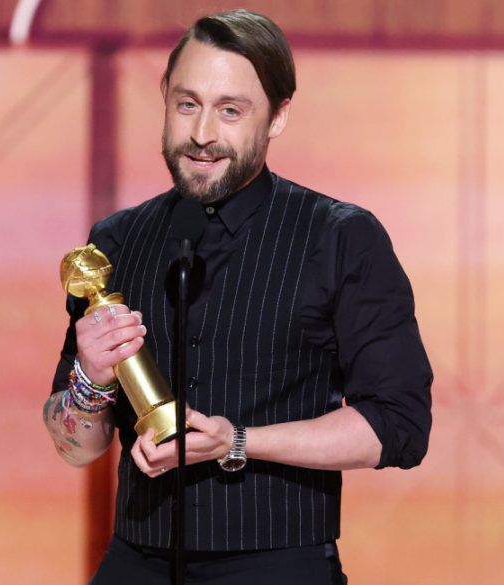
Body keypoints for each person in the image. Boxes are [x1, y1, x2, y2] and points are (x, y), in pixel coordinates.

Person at [44, 9, 433, 584]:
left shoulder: (340, 238)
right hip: (135, 561)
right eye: (187, 103)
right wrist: (91, 383)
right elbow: (75, 447)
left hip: (277, 565)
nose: (202, 133)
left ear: (276, 117)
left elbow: (398, 426)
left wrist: (239, 442)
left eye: (231, 110)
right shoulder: (116, 242)